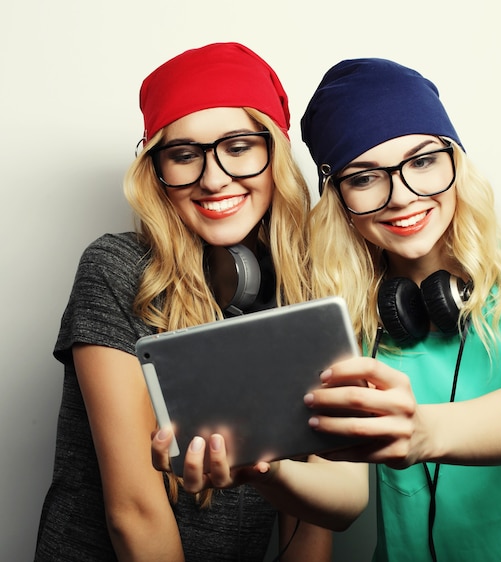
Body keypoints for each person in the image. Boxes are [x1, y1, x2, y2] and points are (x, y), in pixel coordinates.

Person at [34, 42, 367, 562]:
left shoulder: (312, 284)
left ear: (274, 153)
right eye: (185, 154)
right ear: (157, 171)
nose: (213, 178)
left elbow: (321, 518)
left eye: (238, 147)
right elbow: (134, 514)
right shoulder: (115, 269)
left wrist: (271, 470)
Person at [297, 57, 501, 561]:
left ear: (456, 162)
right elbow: (343, 500)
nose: (401, 197)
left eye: (423, 161)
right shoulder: (348, 323)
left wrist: (418, 432)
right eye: (364, 178)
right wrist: (263, 469)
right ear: (338, 198)